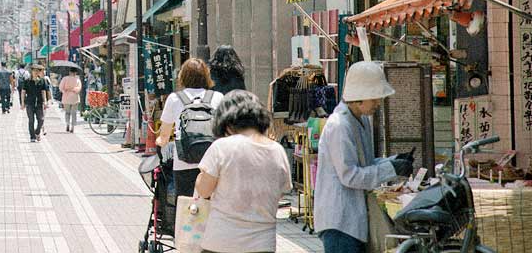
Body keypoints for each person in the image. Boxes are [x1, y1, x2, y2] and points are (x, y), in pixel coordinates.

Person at [315, 62, 414, 253]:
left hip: (353, 218)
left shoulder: (360, 120)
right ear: (359, 97)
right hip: (340, 221)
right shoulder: (339, 125)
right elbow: (350, 175)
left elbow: (366, 163)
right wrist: (391, 169)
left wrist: (393, 161)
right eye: (375, 98)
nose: (378, 103)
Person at [194, 90, 291, 253]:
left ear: (227, 122)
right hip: (262, 245)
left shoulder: (222, 147)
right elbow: (280, 193)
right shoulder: (277, 150)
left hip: (222, 243)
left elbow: (203, 190)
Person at [156, 58, 223, 200]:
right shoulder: (217, 97)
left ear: (182, 76)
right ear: (206, 75)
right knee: (213, 208)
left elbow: (164, 137)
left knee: (187, 211)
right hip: (212, 164)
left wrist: (158, 143)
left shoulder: (174, 98)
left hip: (183, 163)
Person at [21, 64, 50, 142]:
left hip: (39, 103)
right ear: (32, 71)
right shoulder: (27, 81)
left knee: (41, 119)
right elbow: (23, 92)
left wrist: (45, 101)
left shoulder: (42, 81)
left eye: (38, 71)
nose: (36, 72)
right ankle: (32, 136)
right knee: (31, 120)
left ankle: (37, 132)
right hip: (30, 103)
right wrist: (22, 103)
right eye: (35, 71)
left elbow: (43, 91)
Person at [59, 68, 83, 132]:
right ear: (75, 73)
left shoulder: (65, 78)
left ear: (69, 72)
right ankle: (72, 127)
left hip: (66, 97)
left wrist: (65, 90)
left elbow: (61, 87)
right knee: (74, 113)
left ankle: (67, 124)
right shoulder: (77, 79)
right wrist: (73, 89)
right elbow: (79, 88)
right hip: (74, 97)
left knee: (67, 112)